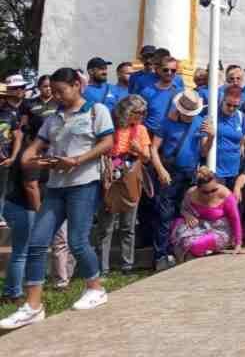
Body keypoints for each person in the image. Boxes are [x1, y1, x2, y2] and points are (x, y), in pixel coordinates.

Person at [1, 68, 115, 330]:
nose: (56, 96)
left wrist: (76, 160)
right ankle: (32, 306)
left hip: (83, 184)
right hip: (55, 186)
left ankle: (95, 288)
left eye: (61, 91)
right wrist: (30, 159)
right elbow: (34, 148)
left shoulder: (96, 111)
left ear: (77, 85)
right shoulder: (53, 119)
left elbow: (107, 143)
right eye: (53, 91)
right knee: (37, 242)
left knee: (77, 240)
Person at [148, 89, 211, 271]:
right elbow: (154, 148)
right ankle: (160, 255)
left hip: (190, 174)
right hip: (170, 173)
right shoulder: (166, 124)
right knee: (164, 215)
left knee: (189, 213)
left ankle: (183, 249)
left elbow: (204, 152)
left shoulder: (200, 123)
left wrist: (211, 136)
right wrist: (160, 170)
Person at [97, 95, 151, 275]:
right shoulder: (109, 128)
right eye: (138, 112)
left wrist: (138, 150)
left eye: (143, 112)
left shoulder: (141, 130)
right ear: (126, 111)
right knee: (106, 226)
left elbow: (147, 158)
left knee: (128, 225)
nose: (141, 116)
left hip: (131, 178)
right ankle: (102, 268)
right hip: (111, 178)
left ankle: (127, 265)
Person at [170, 167, 242, 261]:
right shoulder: (191, 193)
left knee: (195, 245)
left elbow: (235, 219)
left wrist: (238, 243)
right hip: (199, 226)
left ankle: (190, 253)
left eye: (214, 190)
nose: (210, 194)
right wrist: (188, 215)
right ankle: (187, 255)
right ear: (198, 189)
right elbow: (183, 209)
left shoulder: (226, 195)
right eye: (206, 192)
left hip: (220, 231)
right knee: (176, 224)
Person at [1, 135, 40, 305]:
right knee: (21, 252)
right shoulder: (30, 155)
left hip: (16, 206)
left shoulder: (26, 151)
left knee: (21, 252)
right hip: (23, 208)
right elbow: (30, 186)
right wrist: (40, 212)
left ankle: (13, 289)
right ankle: (13, 293)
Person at [140, 54, 183, 134]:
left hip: (169, 136)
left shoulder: (180, 93)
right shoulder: (147, 92)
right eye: (165, 70)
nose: (169, 73)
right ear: (159, 70)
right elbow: (139, 115)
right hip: (149, 134)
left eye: (173, 70)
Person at [215, 86, 245, 189]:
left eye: (235, 106)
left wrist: (241, 146)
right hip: (217, 169)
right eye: (228, 105)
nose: (231, 108)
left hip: (234, 169)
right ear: (222, 100)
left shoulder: (241, 116)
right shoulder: (213, 114)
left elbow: (243, 134)